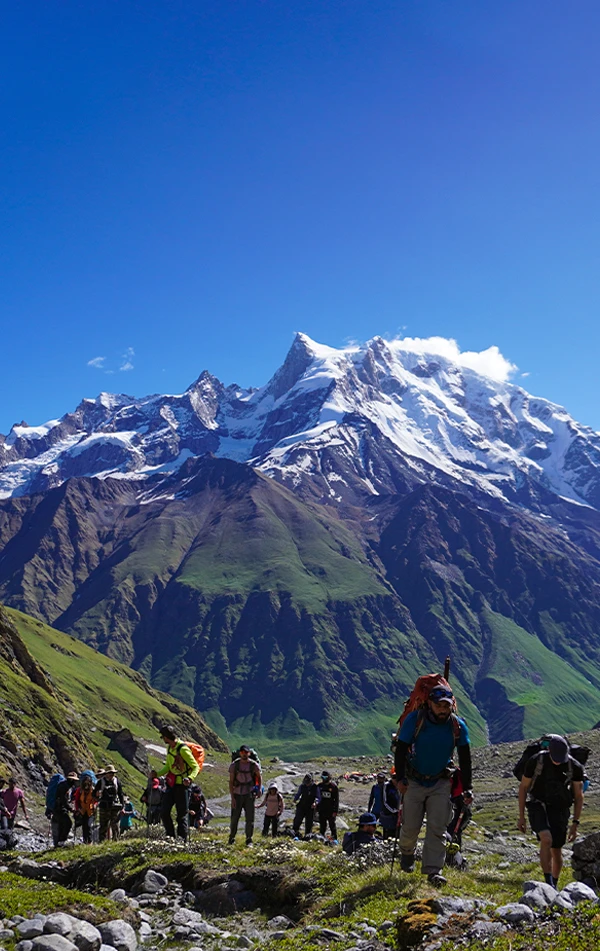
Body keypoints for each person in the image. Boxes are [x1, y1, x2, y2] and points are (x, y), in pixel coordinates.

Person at [394, 685, 472, 886]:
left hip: (441, 781)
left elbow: (465, 759)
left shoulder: (457, 726)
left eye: (446, 706)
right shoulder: (416, 720)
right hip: (414, 780)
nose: (442, 709)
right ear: (430, 703)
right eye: (439, 705)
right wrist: (400, 777)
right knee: (411, 828)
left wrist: (467, 787)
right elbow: (401, 749)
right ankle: (407, 852)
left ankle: (433, 871)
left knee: (437, 828)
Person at [518, 733, 584, 888]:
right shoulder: (536, 761)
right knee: (546, 839)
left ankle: (554, 883)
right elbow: (523, 788)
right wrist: (521, 817)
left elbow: (578, 796)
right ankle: (548, 883)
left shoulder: (574, 767)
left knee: (556, 848)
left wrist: (575, 823)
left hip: (560, 807)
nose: (557, 761)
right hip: (537, 804)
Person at [156, 725, 200, 840]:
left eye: (163, 737)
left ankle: (182, 840)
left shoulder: (183, 749)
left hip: (182, 786)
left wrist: (190, 778)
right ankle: (170, 837)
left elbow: (195, 766)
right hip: (172, 784)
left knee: (181, 815)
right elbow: (168, 767)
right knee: (164, 812)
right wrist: (156, 774)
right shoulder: (170, 748)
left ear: (167, 737)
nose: (163, 739)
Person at [228, 745, 262, 846]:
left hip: (249, 794)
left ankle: (249, 839)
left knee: (250, 818)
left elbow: (259, 778)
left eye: (246, 752)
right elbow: (231, 782)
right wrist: (232, 797)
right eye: (242, 752)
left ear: (249, 753)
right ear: (240, 753)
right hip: (237, 794)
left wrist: (259, 789)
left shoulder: (254, 765)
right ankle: (231, 838)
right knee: (234, 818)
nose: (244, 754)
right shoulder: (234, 765)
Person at [95, 765, 125, 842]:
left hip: (114, 806)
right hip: (103, 806)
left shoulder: (117, 781)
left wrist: (122, 806)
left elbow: (121, 794)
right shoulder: (100, 782)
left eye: (113, 773)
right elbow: (94, 794)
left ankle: (116, 841)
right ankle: (102, 842)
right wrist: (97, 794)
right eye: (110, 773)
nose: (112, 774)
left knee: (115, 825)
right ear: (106, 773)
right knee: (103, 826)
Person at [52, 772, 78, 847]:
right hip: (60, 809)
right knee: (68, 823)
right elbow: (63, 800)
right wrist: (70, 809)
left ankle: (59, 843)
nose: (74, 782)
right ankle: (62, 841)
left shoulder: (66, 786)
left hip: (58, 808)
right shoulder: (64, 787)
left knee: (62, 825)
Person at [73, 773, 97, 844]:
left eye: (88, 782)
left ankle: (89, 842)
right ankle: (85, 841)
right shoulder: (79, 791)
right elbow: (77, 801)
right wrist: (78, 809)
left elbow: (96, 800)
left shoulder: (93, 791)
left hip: (91, 811)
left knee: (89, 826)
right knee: (84, 826)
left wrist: (95, 805)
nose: (87, 783)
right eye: (85, 782)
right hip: (82, 811)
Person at [293, 773, 319, 837]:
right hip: (302, 805)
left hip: (310, 807)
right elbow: (298, 794)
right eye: (306, 782)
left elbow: (318, 797)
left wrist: (315, 803)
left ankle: (307, 835)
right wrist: (295, 799)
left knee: (309, 823)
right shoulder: (302, 786)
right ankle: (294, 833)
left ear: (311, 781)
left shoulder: (315, 787)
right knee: (297, 820)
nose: (307, 784)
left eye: (308, 782)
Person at [317, 771, 339, 841]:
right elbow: (317, 797)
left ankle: (334, 839)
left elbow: (337, 800)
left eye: (325, 777)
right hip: (322, 809)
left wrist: (335, 810)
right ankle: (321, 838)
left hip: (331, 809)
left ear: (329, 777)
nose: (324, 779)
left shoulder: (333, 787)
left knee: (332, 825)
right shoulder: (319, 786)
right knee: (322, 825)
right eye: (322, 777)